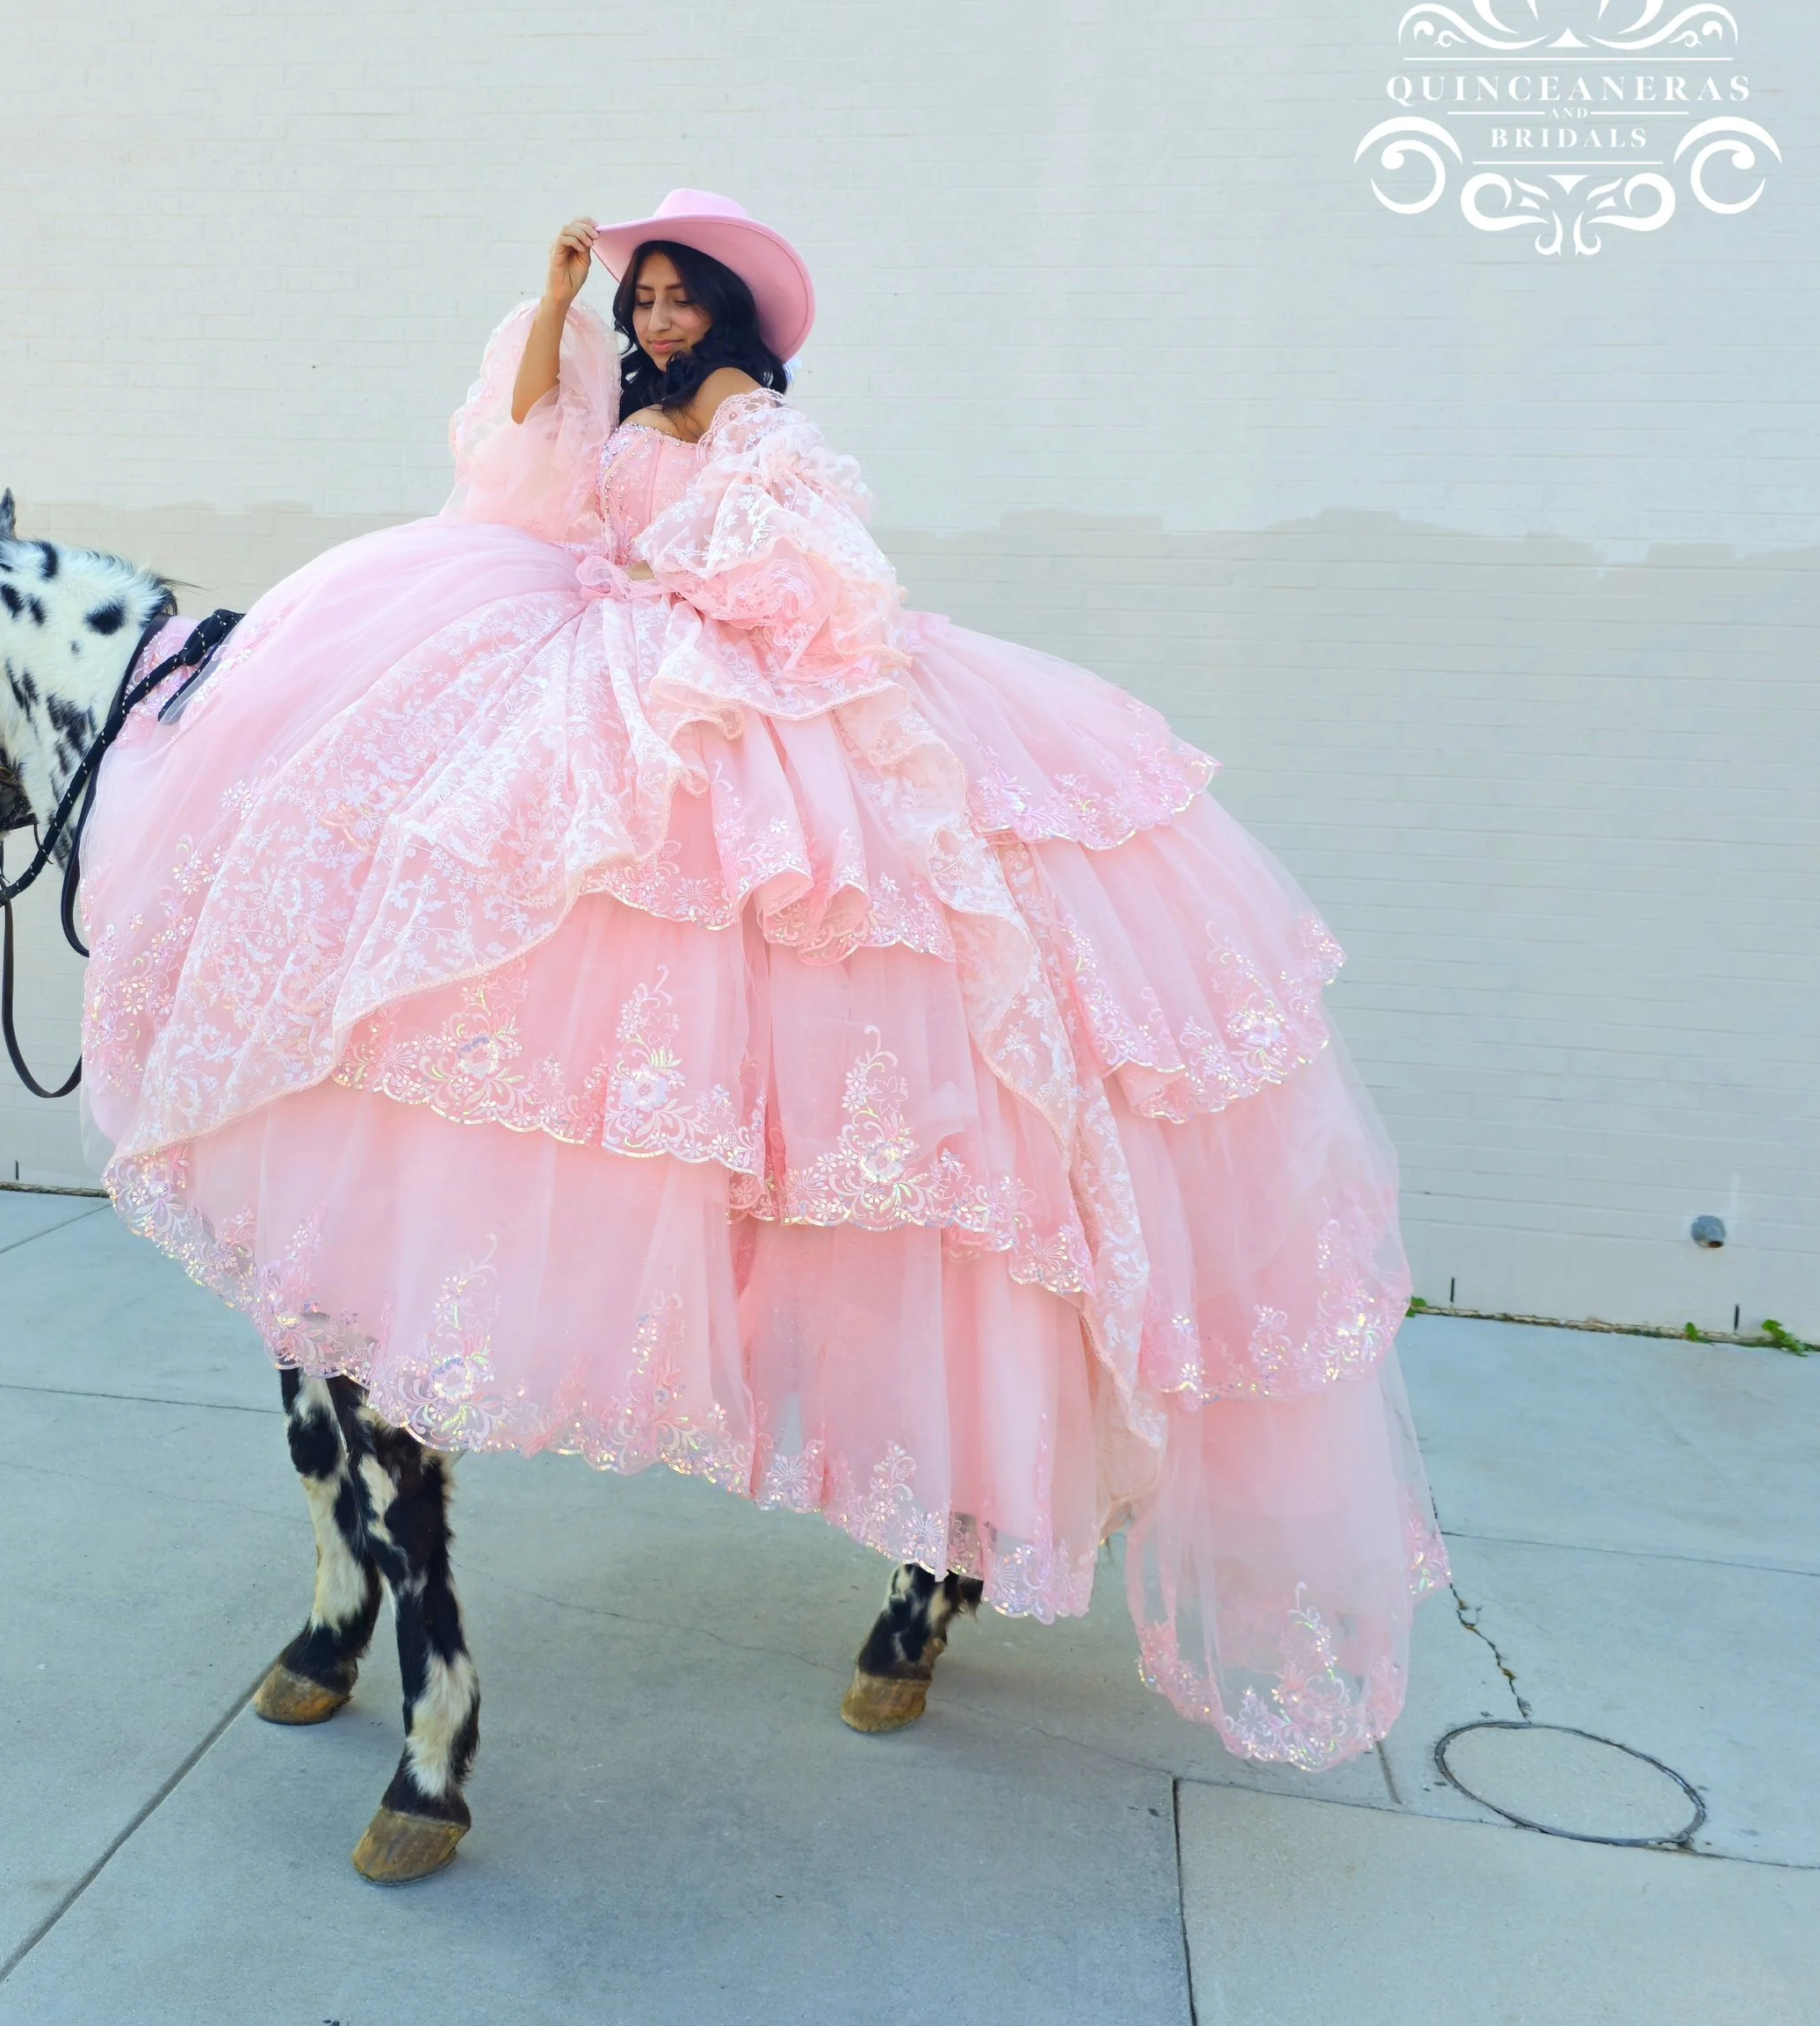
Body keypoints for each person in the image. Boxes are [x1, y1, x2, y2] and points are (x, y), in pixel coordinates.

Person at [82, 189, 1445, 1771]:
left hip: (725, 682)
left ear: (728, 313)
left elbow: (814, 578)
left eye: (677, 299)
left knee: (791, 965)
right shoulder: (627, 399)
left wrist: (672, 595)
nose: (656, 321)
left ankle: (934, 1513)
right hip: (593, 652)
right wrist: (554, 298)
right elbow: (519, 456)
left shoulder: (743, 423)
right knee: (473, 894)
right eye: (642, 299)